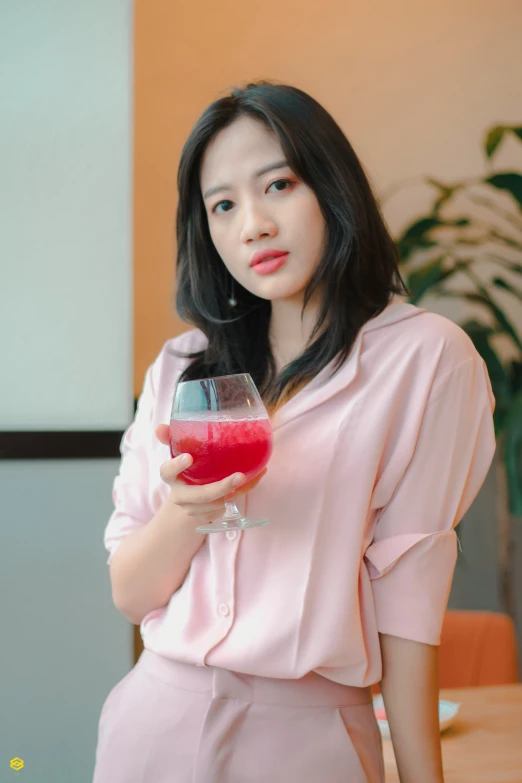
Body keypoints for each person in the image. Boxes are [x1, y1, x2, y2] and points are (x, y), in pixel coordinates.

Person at [92, 82, 496, 783]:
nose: (252, 224)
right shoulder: (183, 368)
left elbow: (408, 605)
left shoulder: (423, 359)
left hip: (309, 744)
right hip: (150, 727)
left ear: (331, 187)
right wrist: (189, 511)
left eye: (276, 185)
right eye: (223, 205)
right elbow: (131, 592)